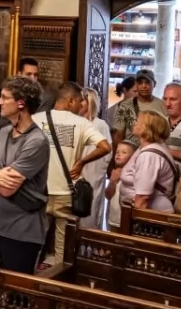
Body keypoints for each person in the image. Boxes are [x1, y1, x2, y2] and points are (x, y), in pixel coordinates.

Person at [0, 77, 50, 303]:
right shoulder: (4, 132)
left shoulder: (36, 142)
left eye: (5, 98)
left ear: (21, 103)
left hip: (22, 232)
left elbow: (6, 189)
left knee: (16, 299)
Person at [33, 83, 110, 261]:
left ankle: (28, 283)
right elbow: (105, 147)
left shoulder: (36, 119)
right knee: (63, 248)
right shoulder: (82, 123)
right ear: (70, 101)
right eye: (80, 102)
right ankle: (58, 286)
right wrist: (82, 161)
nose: (82, 106)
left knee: (35, 242)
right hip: (67, 193)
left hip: (40, 191)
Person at [112, 112, 176, 214]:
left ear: (147, 128)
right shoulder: (147, 147)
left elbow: (143, 197)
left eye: (138, 122)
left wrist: (134, 220)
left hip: (151, 216)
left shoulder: (149, 154)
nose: (134, 123)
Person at [79, 87, 113, 230]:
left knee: (90, 209)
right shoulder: (75, 121)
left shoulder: (99, 124)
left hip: (92, 171)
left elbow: (107, 151)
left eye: (82, 100)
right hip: (76, 171)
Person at [112, 69, 167, 151]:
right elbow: (118, 135)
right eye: (140, 83)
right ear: (136, 85)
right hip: (130, 153)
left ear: (154, 84)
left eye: (147, 83)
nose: (144, 86)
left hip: (154, 152)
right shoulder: (125, 106)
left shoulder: (163, 105)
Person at [104, 139, 137, 230]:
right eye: (117, 152)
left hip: (126, 220)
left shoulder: (133, 175)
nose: (118, 154)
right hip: (112, 219)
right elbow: (108, 195)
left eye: (124, 152)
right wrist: (112, 182)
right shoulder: (114, 172)